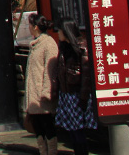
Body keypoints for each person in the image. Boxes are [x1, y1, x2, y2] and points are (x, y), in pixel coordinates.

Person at [55, 17, 97, 155]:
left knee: (78, 131)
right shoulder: (64, 47)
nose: (58, 33)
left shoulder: (81, 47)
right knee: (72, 130)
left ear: (66, 31)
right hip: (66, 93)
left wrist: (84, 98)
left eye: (60, 30)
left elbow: (86, 76)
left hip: (77, 94)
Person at [24, 13, 59, 155]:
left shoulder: (48, 43)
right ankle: (43, 152)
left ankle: (52, 152)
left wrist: (47, 92)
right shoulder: (34, 44)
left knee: (48, 127)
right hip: (33, 95)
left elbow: (50, 70)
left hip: (43, 95)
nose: (29, 28)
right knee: (37, 127)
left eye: (30, 25)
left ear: (36, 27)